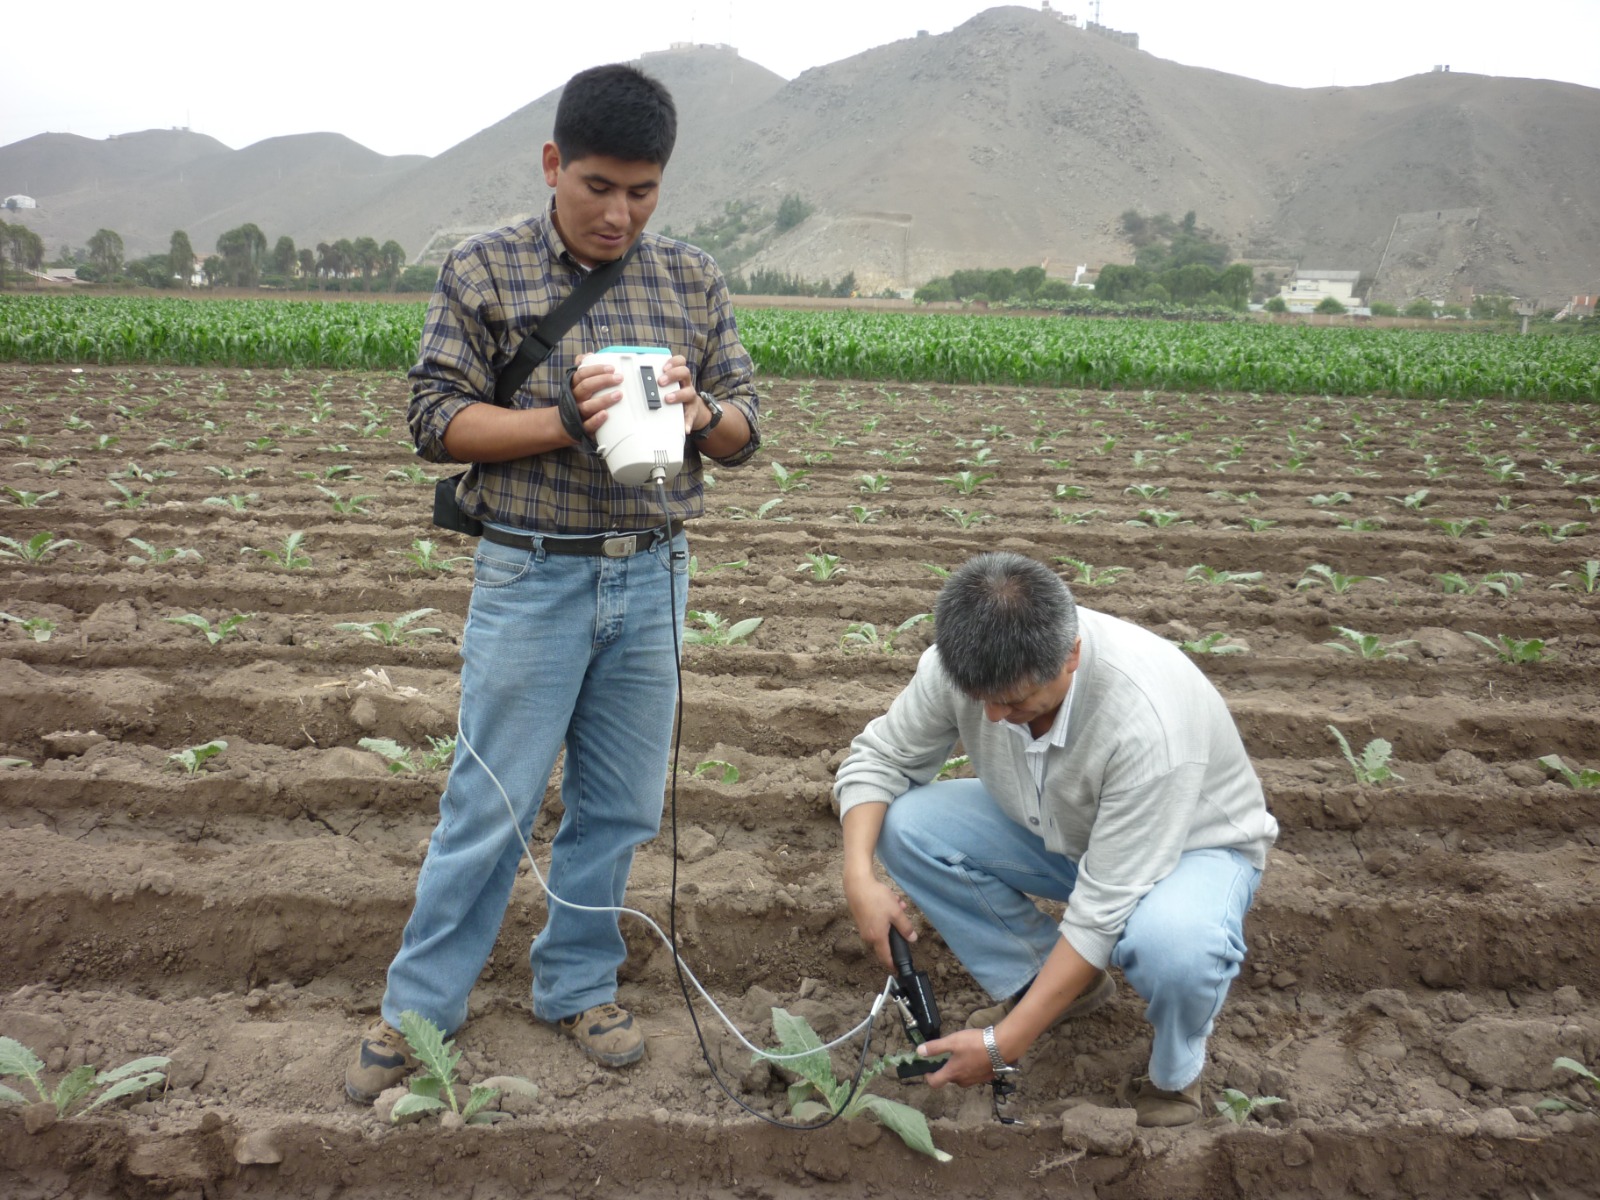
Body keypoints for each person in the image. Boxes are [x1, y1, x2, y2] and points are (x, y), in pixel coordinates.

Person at [346, 63, 761, 1103]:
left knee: (618, 809)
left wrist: (698, 410)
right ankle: (418, 1011)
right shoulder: (483, 270)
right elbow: (435, 420)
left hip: (653, 573)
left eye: (643, 191)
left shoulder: (694, 280)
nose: (620, 213)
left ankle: (578, 985)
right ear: (551, 166)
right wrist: (563, 423)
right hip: (532, 572)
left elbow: (749, 429)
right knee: (488, 804)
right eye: (598, 188)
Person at [835, 552, 1277, 1127]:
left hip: (1191, 851)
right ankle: (1059, 983)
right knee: (903, 825)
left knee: (1176, 950)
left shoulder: (1146, 720)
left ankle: (1175, 1076)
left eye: (1015, 702)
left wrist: (1002, 1045)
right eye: (982, 700)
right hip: (1062, 829)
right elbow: (880, 758)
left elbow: (1101, 909)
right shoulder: (962, 667)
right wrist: (858, 878)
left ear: (1070, 655)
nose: (994, 718)